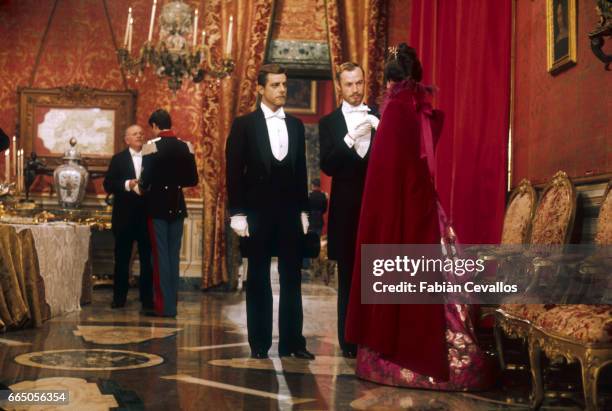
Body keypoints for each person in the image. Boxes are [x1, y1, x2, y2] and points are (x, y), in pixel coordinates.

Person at [344, 44, 494, 390]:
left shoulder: (396, 109)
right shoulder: (416, 106)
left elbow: (385, 177)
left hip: (406, 212)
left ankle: (399, 355)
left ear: (387, 80)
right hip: (423, 206)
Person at [226, 64, 315, 360]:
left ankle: (293, 343)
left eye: (284, 85)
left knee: (292, 277)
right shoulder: (244, 125)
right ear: (261, 89)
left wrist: (304, 211)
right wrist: (237, 213)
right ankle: (259, 344)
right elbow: (234, 172)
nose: (282, 90)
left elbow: (301, 170)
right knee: (258, 278)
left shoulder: (296, 125)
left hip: (290, 212)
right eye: (275, 85)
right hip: (256, 213)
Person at [319, 62, 378, 358]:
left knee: (376, 277)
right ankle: (348, 342)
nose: (355, 90)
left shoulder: (380, 117)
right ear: (339, 87)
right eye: (349, 84)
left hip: (377, 211)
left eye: (359, 83)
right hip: (344, 213)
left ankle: (374, 338)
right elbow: (327, 164)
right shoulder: (329, 123)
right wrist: (350, 137)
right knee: (348, 278)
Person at [140, 110, 198, 317]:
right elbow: (193, 180)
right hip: (177, 205)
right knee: (173, 256)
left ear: (155, 125)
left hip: (156, 207)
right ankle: (171, 304)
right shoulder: (186, 146)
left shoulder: (151, 146)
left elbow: (144, 182)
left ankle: (164, 306)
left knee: (160, 256)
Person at [103, 125, 153, 310]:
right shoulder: (118, 159)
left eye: (141, 133)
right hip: (124, 216)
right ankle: (119, 299)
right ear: (127, 139)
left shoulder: (151, 157)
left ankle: (147, 300)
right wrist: (127, 184)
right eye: (135, 134)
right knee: (122, 259)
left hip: (147, 215)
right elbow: (108, 184)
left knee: (147, 260)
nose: (139, 135)